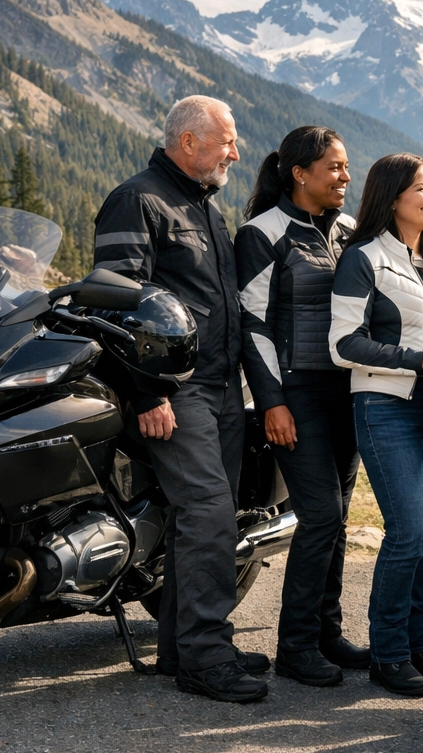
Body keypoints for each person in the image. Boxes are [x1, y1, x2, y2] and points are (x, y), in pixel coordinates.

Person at [94, 95, 269, 703]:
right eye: (227, 140)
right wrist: (146, 392)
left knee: (192, 521)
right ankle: (205, 658)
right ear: (189, 141)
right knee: (208, 513)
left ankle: (183, 647)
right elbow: (117, 301)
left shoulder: (202, 206)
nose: (235, 152)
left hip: (220, 388)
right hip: (173, 393)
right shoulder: (138, 200)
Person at [329, 153, 423, 697]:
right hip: (386, 407)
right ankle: (387, 654)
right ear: (392, 199)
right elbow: (343, 344)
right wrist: (418, 357)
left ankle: (417, 644)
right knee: (407, 533)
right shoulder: (363, 259)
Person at [235, 125, 368, 688]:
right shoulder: (261, 234)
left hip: (349, 394)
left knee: (336, 519)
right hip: (298, 395)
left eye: (345, 167)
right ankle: (294, 646)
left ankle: (326, 634)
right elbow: (253, 324)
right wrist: (272, 402)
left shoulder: (351, 230)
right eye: (334, 167)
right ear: (299, 173)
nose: (345, 177)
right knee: (319, 516)